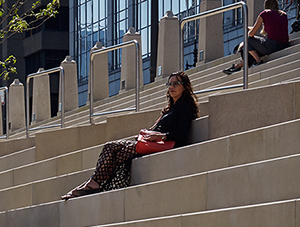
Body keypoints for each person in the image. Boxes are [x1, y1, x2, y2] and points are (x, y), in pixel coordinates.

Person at [61, 72, 199, 198]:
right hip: (154, 144)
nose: (171, 87)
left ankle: (94, 184)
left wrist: (161, 136)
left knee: (114, 151)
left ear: (185, 87)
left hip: (165, 145)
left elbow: (182, 134)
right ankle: (94, 183)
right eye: (169, 84)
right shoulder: (170, 108)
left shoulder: (184, 107)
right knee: (111, 148)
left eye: (176, 83)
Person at [224, 0, 289, 74]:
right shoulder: (283, 14)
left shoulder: (264, 14)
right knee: (253, 49)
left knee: (248, 40)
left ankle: (258, 61)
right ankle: (238, 66)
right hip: (284, 44)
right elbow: (269, 30)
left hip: (272, 45)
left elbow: (251, 34)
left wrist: (249, 30)